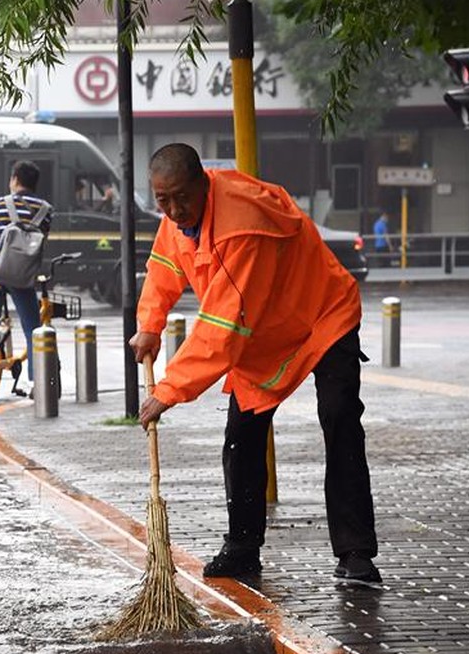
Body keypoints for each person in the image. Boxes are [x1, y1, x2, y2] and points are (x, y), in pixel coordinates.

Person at [128, 143, 380, 585]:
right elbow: (165, 266)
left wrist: (167, 391)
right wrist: (150, 323)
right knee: (242, 436)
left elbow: (221, 328)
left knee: (339, 419)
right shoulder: (179, 217)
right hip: (262, 331)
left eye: (181, 198)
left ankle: (356, 552)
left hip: (322, 316)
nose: (173, 209)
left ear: (204, 183)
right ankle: (243, 547)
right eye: (162, 200)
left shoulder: (239, 228)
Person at [0, 160, 53, 394]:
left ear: (15, 179)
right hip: (23, 278)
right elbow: (39, 244)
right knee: (33, 329)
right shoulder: (46, 210)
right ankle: (34, 382)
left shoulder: (0, 204)